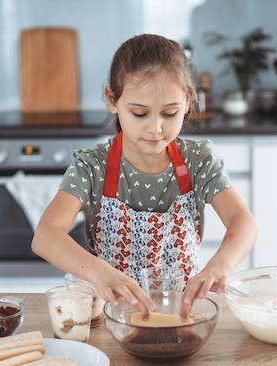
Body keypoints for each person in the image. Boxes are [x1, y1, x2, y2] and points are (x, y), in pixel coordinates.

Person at [31, 34, 257, 320]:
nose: (155, 128)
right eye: (139, 114)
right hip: (116, 321)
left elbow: (243, 222)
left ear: (187, 103)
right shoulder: (92, 167)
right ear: (113, 100)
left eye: (170, 113)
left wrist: (219, 267)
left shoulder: (197, 160)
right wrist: (99, 273)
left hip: (180, 317)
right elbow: (45, 236)